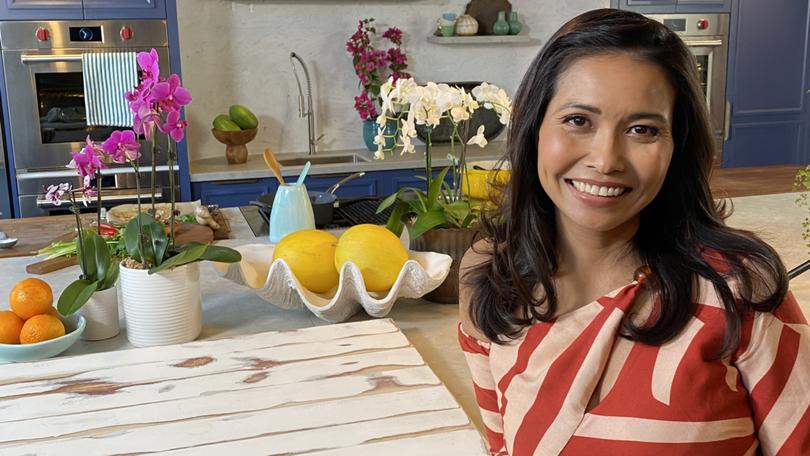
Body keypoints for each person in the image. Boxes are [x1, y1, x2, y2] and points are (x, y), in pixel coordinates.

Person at [458, 8, 809, 456]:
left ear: (675, 146)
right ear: (534, 128)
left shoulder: (739, 287)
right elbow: (502, 445)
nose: (606, 159)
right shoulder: (490, 274)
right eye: (578, 120)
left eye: (642, 129)